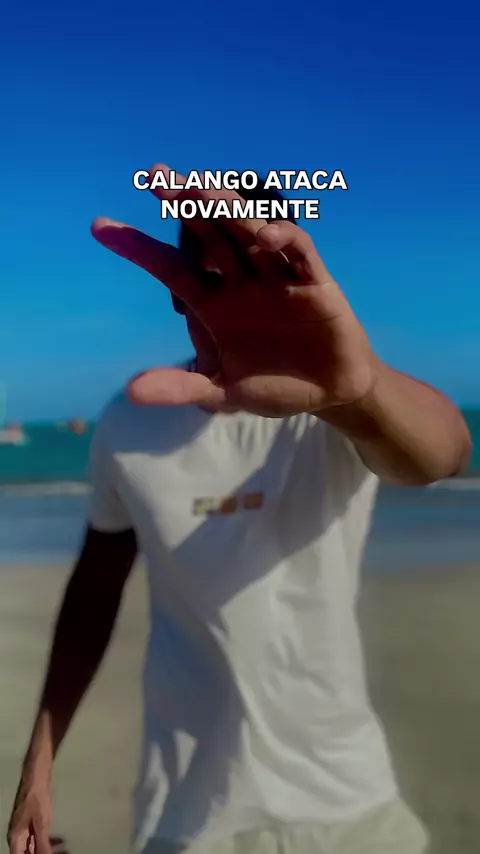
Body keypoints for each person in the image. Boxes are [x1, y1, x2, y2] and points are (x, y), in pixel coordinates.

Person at [8, 167, 471, 854]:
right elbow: (93, 592)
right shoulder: (131, 424)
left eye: (258, 270)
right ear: (177, 291)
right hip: (188, 812)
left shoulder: (336, 406)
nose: (237, 293)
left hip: (349, 797)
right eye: (212, 276)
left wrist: (358, 392)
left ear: (292, 276)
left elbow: (441, 454)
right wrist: (40, 762)